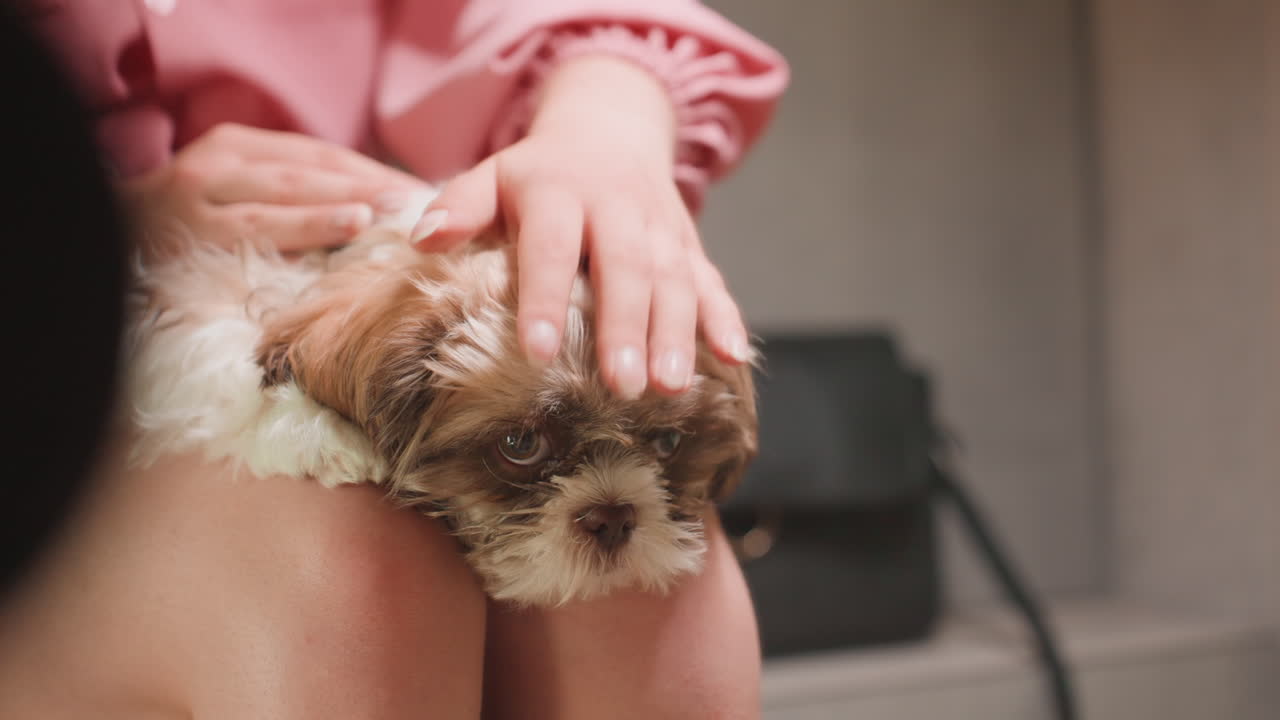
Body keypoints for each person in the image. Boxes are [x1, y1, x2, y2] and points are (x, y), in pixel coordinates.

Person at [0, 2, 788, 718]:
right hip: (43, 399)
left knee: (656, 604)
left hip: (355, 290)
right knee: (357, 580)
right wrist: (71, 221)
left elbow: (573, 22)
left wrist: (602, 133)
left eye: (663, 444)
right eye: (524, 450)